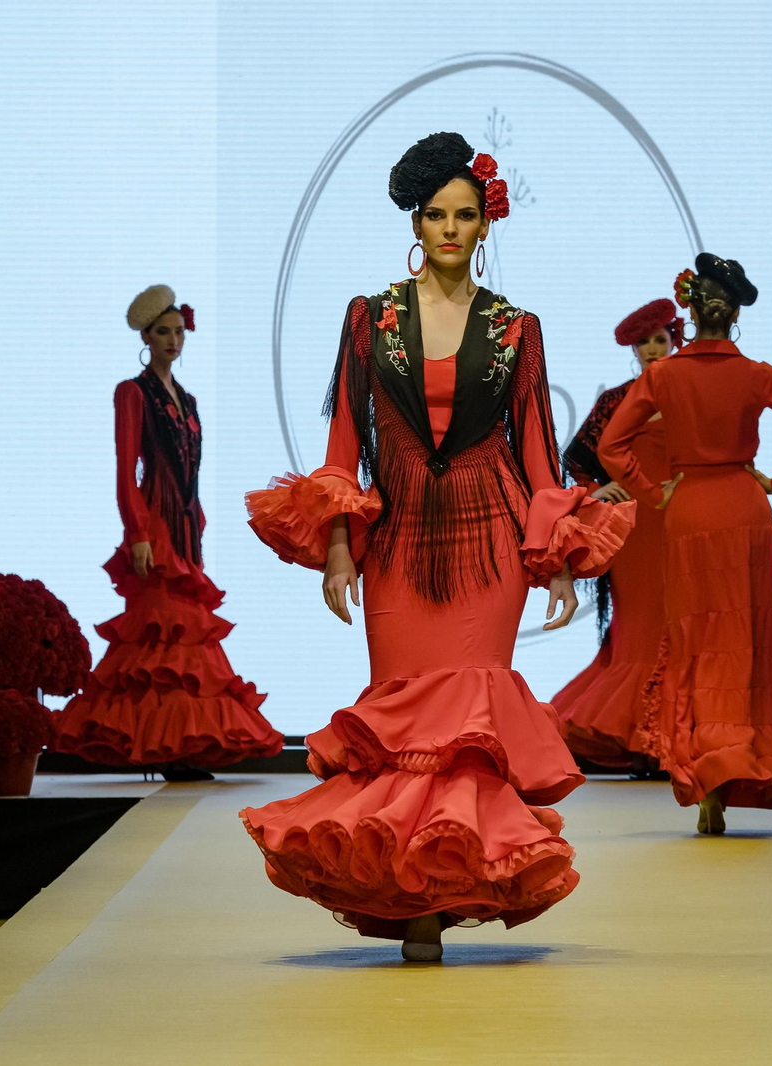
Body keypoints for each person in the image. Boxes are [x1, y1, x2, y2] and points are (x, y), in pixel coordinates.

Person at [242, 132, 633, 961]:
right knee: (400, 718)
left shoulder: (516, 328)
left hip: (490, 544)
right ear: (414, 224)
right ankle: (410, 894)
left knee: (470, 725)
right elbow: (346, 440)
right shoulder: (367, 318)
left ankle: (441, 896)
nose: (450, 230)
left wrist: (557, 556)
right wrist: (340, 546)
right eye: (435, 216)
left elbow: (537, 451)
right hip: (399, 544)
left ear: (485, 224)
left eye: (465, 215)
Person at [597, 254, 772, 833]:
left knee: (697, 645)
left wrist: (655, 493)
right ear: (734, 317)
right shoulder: (757, 374)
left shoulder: (662, 376)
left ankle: (707, 777)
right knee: (747, 642)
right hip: (744, 508)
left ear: (691, 313)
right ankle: (746, 763)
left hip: (689, 509)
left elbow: (610, 448)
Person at [53, 287, 283, 779]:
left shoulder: (189, 398)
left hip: (184, 525)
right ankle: (162, 748)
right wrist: (136, 532)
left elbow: (192, 468)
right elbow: (125, 469)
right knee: (161, 631)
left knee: (184, 634)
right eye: (163, 332)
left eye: (179, 332)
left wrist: (195, 523)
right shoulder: (132, 393)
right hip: (154, 520)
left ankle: (179, 746)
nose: (174, 340)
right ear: (146, 337)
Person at [553, 299, 680, 771]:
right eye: (642, 342)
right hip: (637, 530)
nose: (651, 348)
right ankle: (639, 743)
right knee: (640, 629)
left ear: (675, 339)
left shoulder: (692, 393)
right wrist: (596, 490)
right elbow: (577, 457)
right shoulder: (617, 401)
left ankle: (675, 744)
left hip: (687, 523)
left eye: (659, 339)